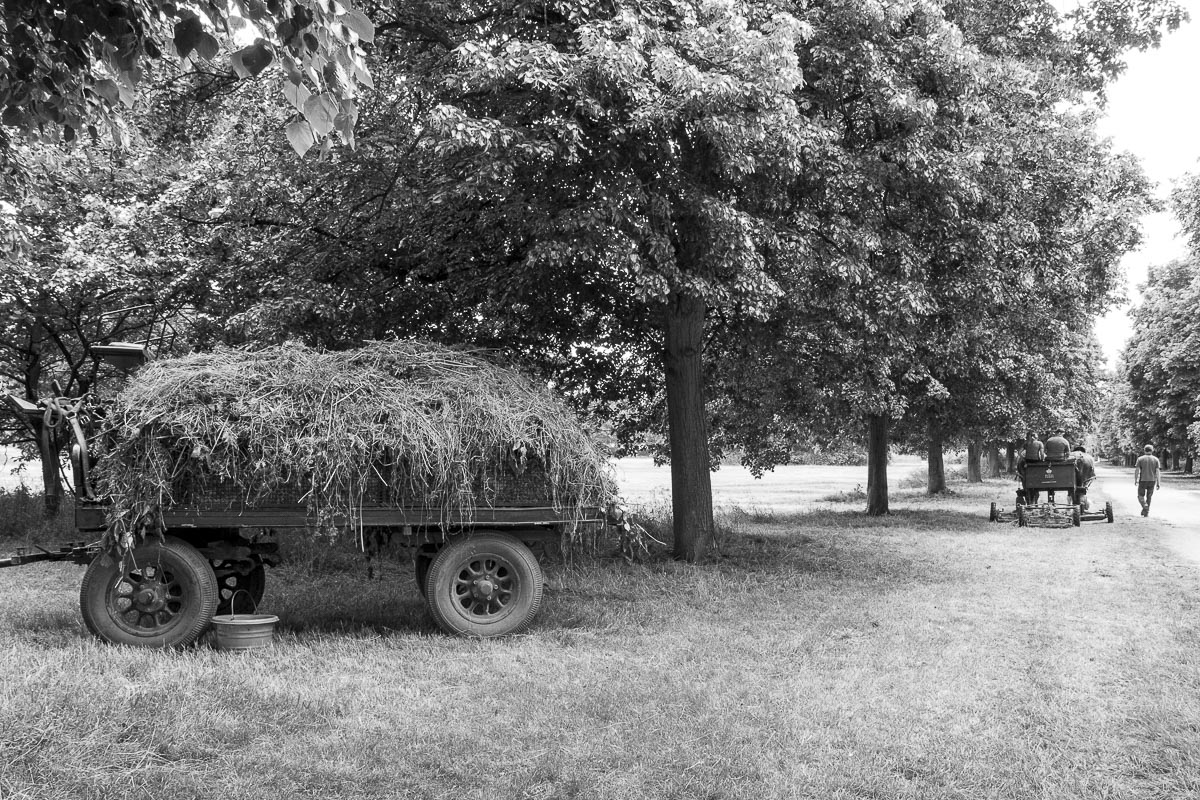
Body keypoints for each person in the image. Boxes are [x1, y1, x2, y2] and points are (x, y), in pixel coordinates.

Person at [1134, 444, 1161, 517]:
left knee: (1140, 495)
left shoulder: (1140, 459)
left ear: (1144, 450)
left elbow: (1137, 470)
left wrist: (1135, 479)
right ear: (1152, 451)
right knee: (1149, 497)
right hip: (1152, 480)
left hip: (1143, 480)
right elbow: (1158, 472)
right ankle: (1146, 512)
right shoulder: (1156, 459)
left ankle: (1144, 505)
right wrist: (1158, 482)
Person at [1072, 445, 1095, 509]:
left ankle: (1073, 504)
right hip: (1085, 478)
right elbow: (1092, 474)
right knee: (1083, 485)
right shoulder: (1089, 457)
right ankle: (1082, 501)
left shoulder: (1072, 456)